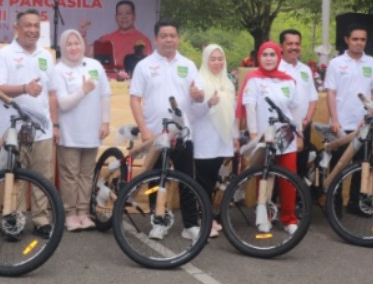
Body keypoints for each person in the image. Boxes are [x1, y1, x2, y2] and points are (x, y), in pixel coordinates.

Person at [129, 18, 203, 240]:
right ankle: (158, 221)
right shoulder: (144, 66)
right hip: (156, 134)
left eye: (172, 36)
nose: (168, 40)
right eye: (164, 36)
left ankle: (190, 225)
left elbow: (198, 96)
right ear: (155, 39)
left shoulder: (189, 65)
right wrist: (144, 129)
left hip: (183, 133)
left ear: (178, 38)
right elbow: (135, 99)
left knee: (186, 180)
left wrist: (199, 95)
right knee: (155, 180)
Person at [0, 8, 56, 239]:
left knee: (42, 178)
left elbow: (52, 93)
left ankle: (41, 220)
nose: (32, 30)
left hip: (42, 130)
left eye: (36, 26)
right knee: (14, 177)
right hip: (13, 130)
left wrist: (55, 125)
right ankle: (14, 222)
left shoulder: (46, 56)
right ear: (16, 28)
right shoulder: (5, 54)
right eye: (28, 25)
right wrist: (24, 88)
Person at [49, 29, 111, 231]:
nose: (73, 47)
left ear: (83, 45)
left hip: (92, 130)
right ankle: (70, 214)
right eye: (69, 44)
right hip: (69, 132)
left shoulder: (95, 66)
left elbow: (105, 95)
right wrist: (83, 91)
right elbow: (63, 104)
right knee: (70, 175)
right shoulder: (58, 70)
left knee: (86, 174)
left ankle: (83, 212)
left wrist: (105, 122)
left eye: (77, 43)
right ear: (62, 47)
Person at [241, 41, 303, 234]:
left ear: (279, 57)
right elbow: (250, 107)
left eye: (272, 55)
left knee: (288, 181)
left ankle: (289, 219)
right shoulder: (253, 79)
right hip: (264, 137)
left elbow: (295, 111)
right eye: (265, 55)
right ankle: (263, 218)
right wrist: (253, 134)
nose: (269, 58)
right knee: (263, 178)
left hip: (287, 138)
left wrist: (299, 134)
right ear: (259, 57)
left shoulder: (289, 81)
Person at [323, 24, 373, 216]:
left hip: (363, 124)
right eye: (355, 39)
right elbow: (331, 93)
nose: (359, 43)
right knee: (338, 166)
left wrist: (369, 115)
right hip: (341, 124)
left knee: (362, 165)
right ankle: (334, 205)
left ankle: (356, 204)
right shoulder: (336, 63)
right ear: (347, 40)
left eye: (363, 39)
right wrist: (335, 120)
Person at [189, 44, 238, 238]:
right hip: (205, 138)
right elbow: (193, 112)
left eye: (220, 59)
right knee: (203, 181)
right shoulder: (199, 81)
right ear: (205, 60)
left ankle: (208, 216)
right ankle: (203, 220)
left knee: (212, 181)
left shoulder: (227, 82)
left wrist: (235, 137)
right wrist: (209, 103)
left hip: (221, 139)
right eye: (212, 59)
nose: (217, 63)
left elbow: (232, 113)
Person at [278, 29, 319, 182]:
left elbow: (313, 98)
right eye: (290, 44)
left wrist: (307, 119)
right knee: (281, 170)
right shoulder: (276, 69)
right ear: (281, 46)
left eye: (297, 44)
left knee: (301, 167)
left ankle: (298, 197)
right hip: (283, 127)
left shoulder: (305, 70)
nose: (294, 47)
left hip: (303, 126)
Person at [80, 0, 153, 70]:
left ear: (134, 16)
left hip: (132, 77)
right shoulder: (107, 39)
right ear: (116, 17)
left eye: (128, 13)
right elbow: (87, 54)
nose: (124, 17)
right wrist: (83, 33)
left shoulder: (143, 40)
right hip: (108, 77)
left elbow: (149, 66)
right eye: (120, 14)